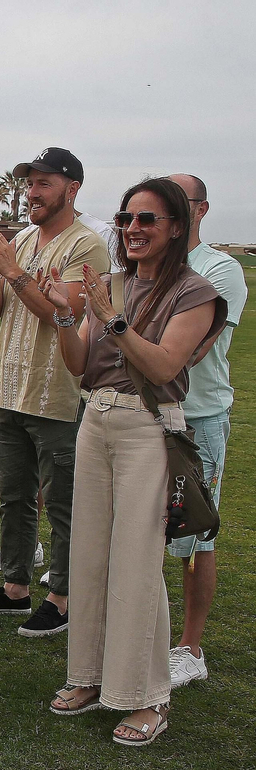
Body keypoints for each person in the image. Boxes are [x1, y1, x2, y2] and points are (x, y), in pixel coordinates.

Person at [43, 180, 226, 746]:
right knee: (89, 552)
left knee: (137, 562)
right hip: (95, 420)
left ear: (177, 226)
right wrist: (66, 317)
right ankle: (89, 675)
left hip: (148, 427)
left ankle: (148, 695)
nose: (132, 229)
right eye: (126, 218)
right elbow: (80, 364)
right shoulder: (112, 284)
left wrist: (114, 320)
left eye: (147, 219)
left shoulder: (195, 293)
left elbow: (165, 366)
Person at [0, 148, 112, 639]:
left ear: (72, 188)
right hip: (8, 390)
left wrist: (12, 271)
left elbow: (62, 313)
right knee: (14, 497)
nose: (32, 193)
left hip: (57, 395)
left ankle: (62, 598)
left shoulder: (87, 245)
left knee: (63, 503)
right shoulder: (21, 240)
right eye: (29, 183)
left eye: (44, 183)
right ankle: (15, 587)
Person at [165, 174, 247, 687]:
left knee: (195, 534)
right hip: (144, 415)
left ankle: (190, 648)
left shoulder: (220, 269)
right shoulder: (146, 265)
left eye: (180, 201)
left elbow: (192, 350)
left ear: (201, 210)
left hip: (197, 420)